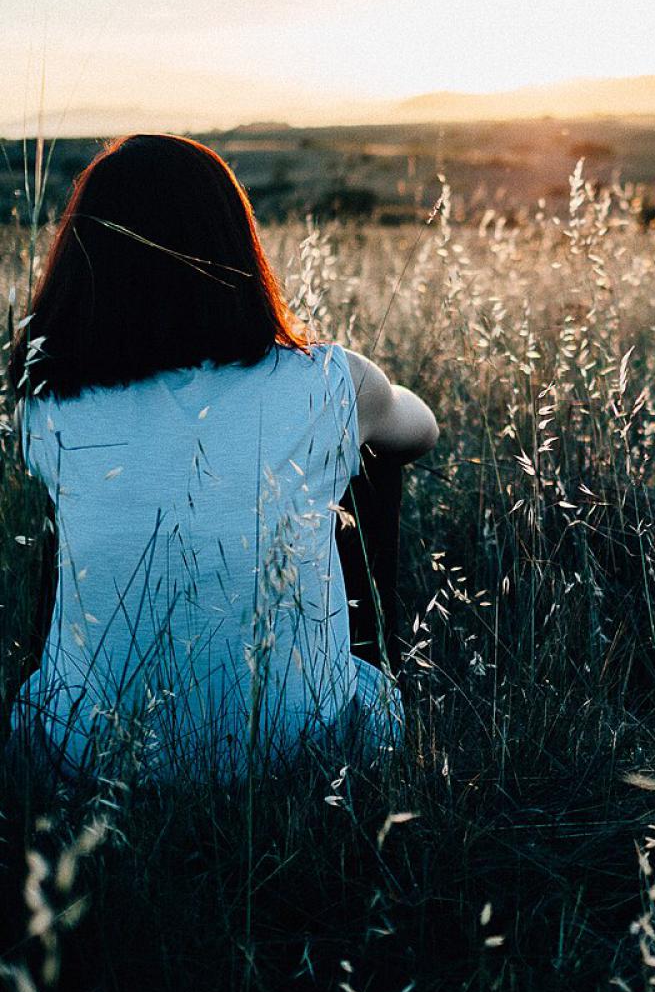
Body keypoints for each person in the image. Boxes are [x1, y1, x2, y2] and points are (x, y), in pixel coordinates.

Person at [5, 133, 438, 782]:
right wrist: (363, 400)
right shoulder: (328, 381)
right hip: (299, 746)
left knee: (75, 501)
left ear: (84, 256)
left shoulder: (46, 397)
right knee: (366, 461)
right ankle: (366, 667)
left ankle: (92, 677)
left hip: (86, 751)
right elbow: (420, 431)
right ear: (237, 246)